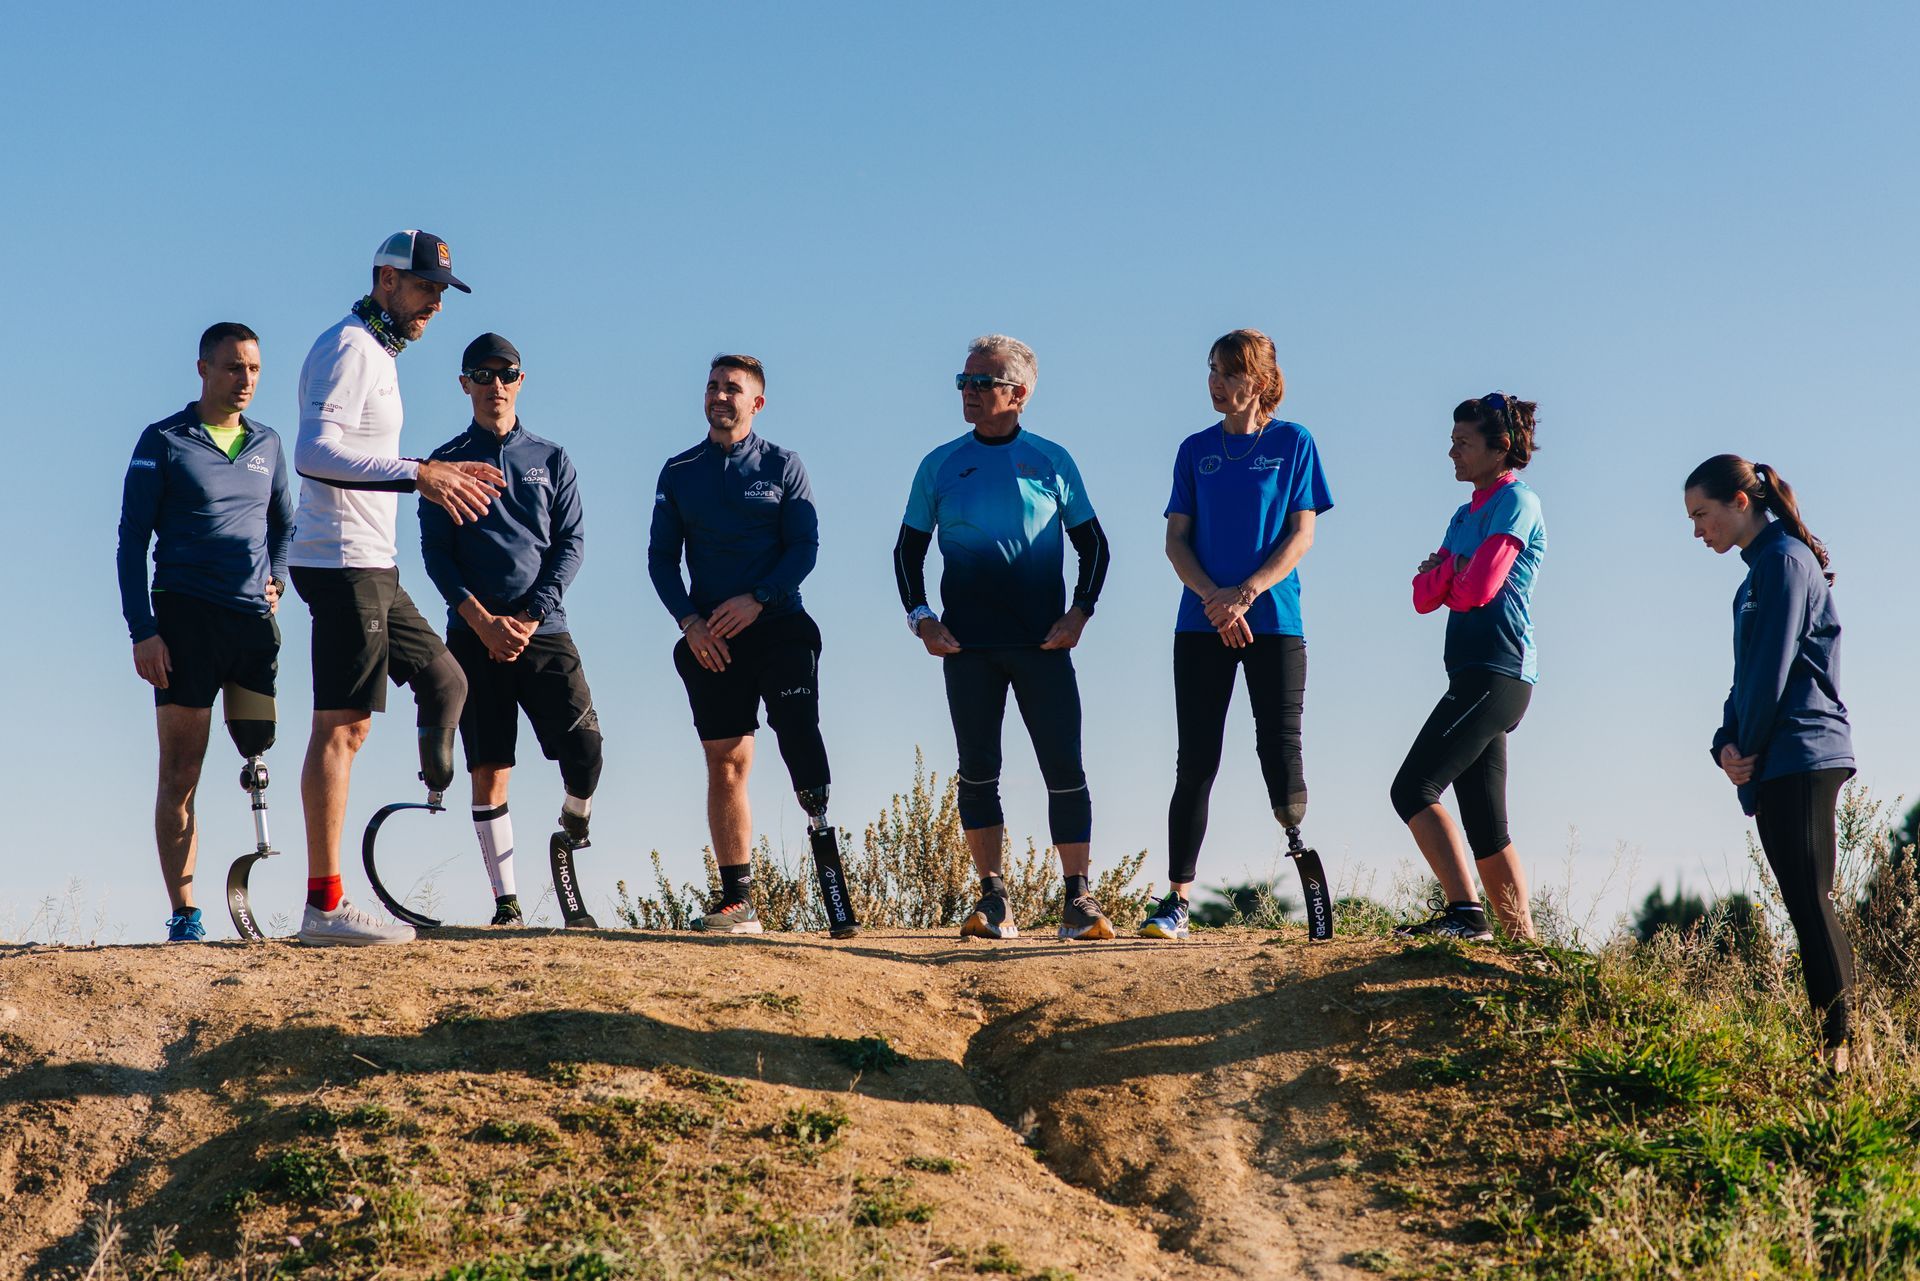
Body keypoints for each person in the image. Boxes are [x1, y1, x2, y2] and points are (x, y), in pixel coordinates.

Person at [288, 230, 504, 946]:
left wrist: (424, 475)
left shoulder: (378, 353)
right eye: (424, 288)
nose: (435, 304)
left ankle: (431, 797)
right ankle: (325, 904)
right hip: (341, 558)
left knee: (446, 677)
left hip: (374, 561)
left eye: (442, 291)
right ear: (385, 278)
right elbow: (313, 452)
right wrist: (421, 473)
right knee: (342, 725)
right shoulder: (348, 347)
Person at [894, 334, 1115, 941]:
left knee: (1064, 769)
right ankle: (994, 900)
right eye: (962, 381)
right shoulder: (939, 463)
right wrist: (921, 618)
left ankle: (1078, 900)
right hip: (967, 648)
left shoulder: (1051, 460)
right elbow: (907, 551)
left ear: (1019, 394)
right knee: (977, 772)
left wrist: (1080, 615)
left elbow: (1093, 545)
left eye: (981, 382)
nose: (968, 392)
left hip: (1042, 644)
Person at [648, 354, 851, 936]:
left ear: (755, 403)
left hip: (779, 625)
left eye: (732, 389)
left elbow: (804, 548)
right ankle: (737, 901)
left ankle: (827, 863)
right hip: (711, 638)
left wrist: (758, 597)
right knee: (727, 761)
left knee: (796, 734)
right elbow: (662, 559)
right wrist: (691, 622)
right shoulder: (679, 470)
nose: (719, 395)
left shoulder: (784, 465)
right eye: (712, 385)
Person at [1143, 329, 1333, 940]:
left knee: (1279, 750)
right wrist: (1213, 600)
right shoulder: (1193, 449)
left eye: (1227, 372)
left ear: (1258, 379)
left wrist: (1245, 593)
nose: (1214, 382)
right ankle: (1176, 902)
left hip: (1273, 621)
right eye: (1211, 370)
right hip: (1200, 624)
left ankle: (1306, 874)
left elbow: (1301, 535)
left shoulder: (1294, 442)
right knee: (1195, 761)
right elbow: (1175, 539)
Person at [116, 323, 292, 941]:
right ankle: (186, 912)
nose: (244, 381)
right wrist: (144, 631)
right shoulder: (164, 440)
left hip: (250, 627)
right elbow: (131, 543)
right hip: (183, 622)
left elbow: (283, 527)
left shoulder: (268, 443)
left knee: (256, 747)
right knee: (181, 773)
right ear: (203, 369)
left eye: (253, 370)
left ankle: (264, 872)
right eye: (232, 368)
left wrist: (279, 579)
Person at [421, 333, 601, 927]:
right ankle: (508, 904)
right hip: (475, 636)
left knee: (586, 749)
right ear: (464, 382)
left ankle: (574, 818)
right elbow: (436, 556)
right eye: (482, 374)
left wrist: (528, 617)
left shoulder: (552, 458)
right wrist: (480, 619)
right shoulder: (440, 464)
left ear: (521, 380)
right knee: (489, 766)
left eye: (507, 373)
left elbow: (571, 544)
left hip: (543, 631)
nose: (495, 384)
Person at [1685, 455, 1857, 1072]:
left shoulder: (1784, 562)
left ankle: (1839, 1054)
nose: (1697, 530)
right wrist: (1724, 744)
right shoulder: (1757, 574)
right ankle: (1831, 1048)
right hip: (1775, 755)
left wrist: (1744, 754)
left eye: (1702, 514)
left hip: (1803, 753)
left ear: (1740, 501)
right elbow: (1746, 679)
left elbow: (1771, 673)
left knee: (1811, 900)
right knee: (1804, 899)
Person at [1390, 393, 1546, 941]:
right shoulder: (1465, 514)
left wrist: (1449, 569)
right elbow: (1421, 596)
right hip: (1472, 675)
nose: (1451, 452)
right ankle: (1523, 950)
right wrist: (1455, 570)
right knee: (1486, 826)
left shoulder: (1517, 502)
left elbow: (1479, 588)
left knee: (1412, 789)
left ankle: (1466, 914)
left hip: (1499, 673)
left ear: (1500, 448)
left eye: (1463, 443)